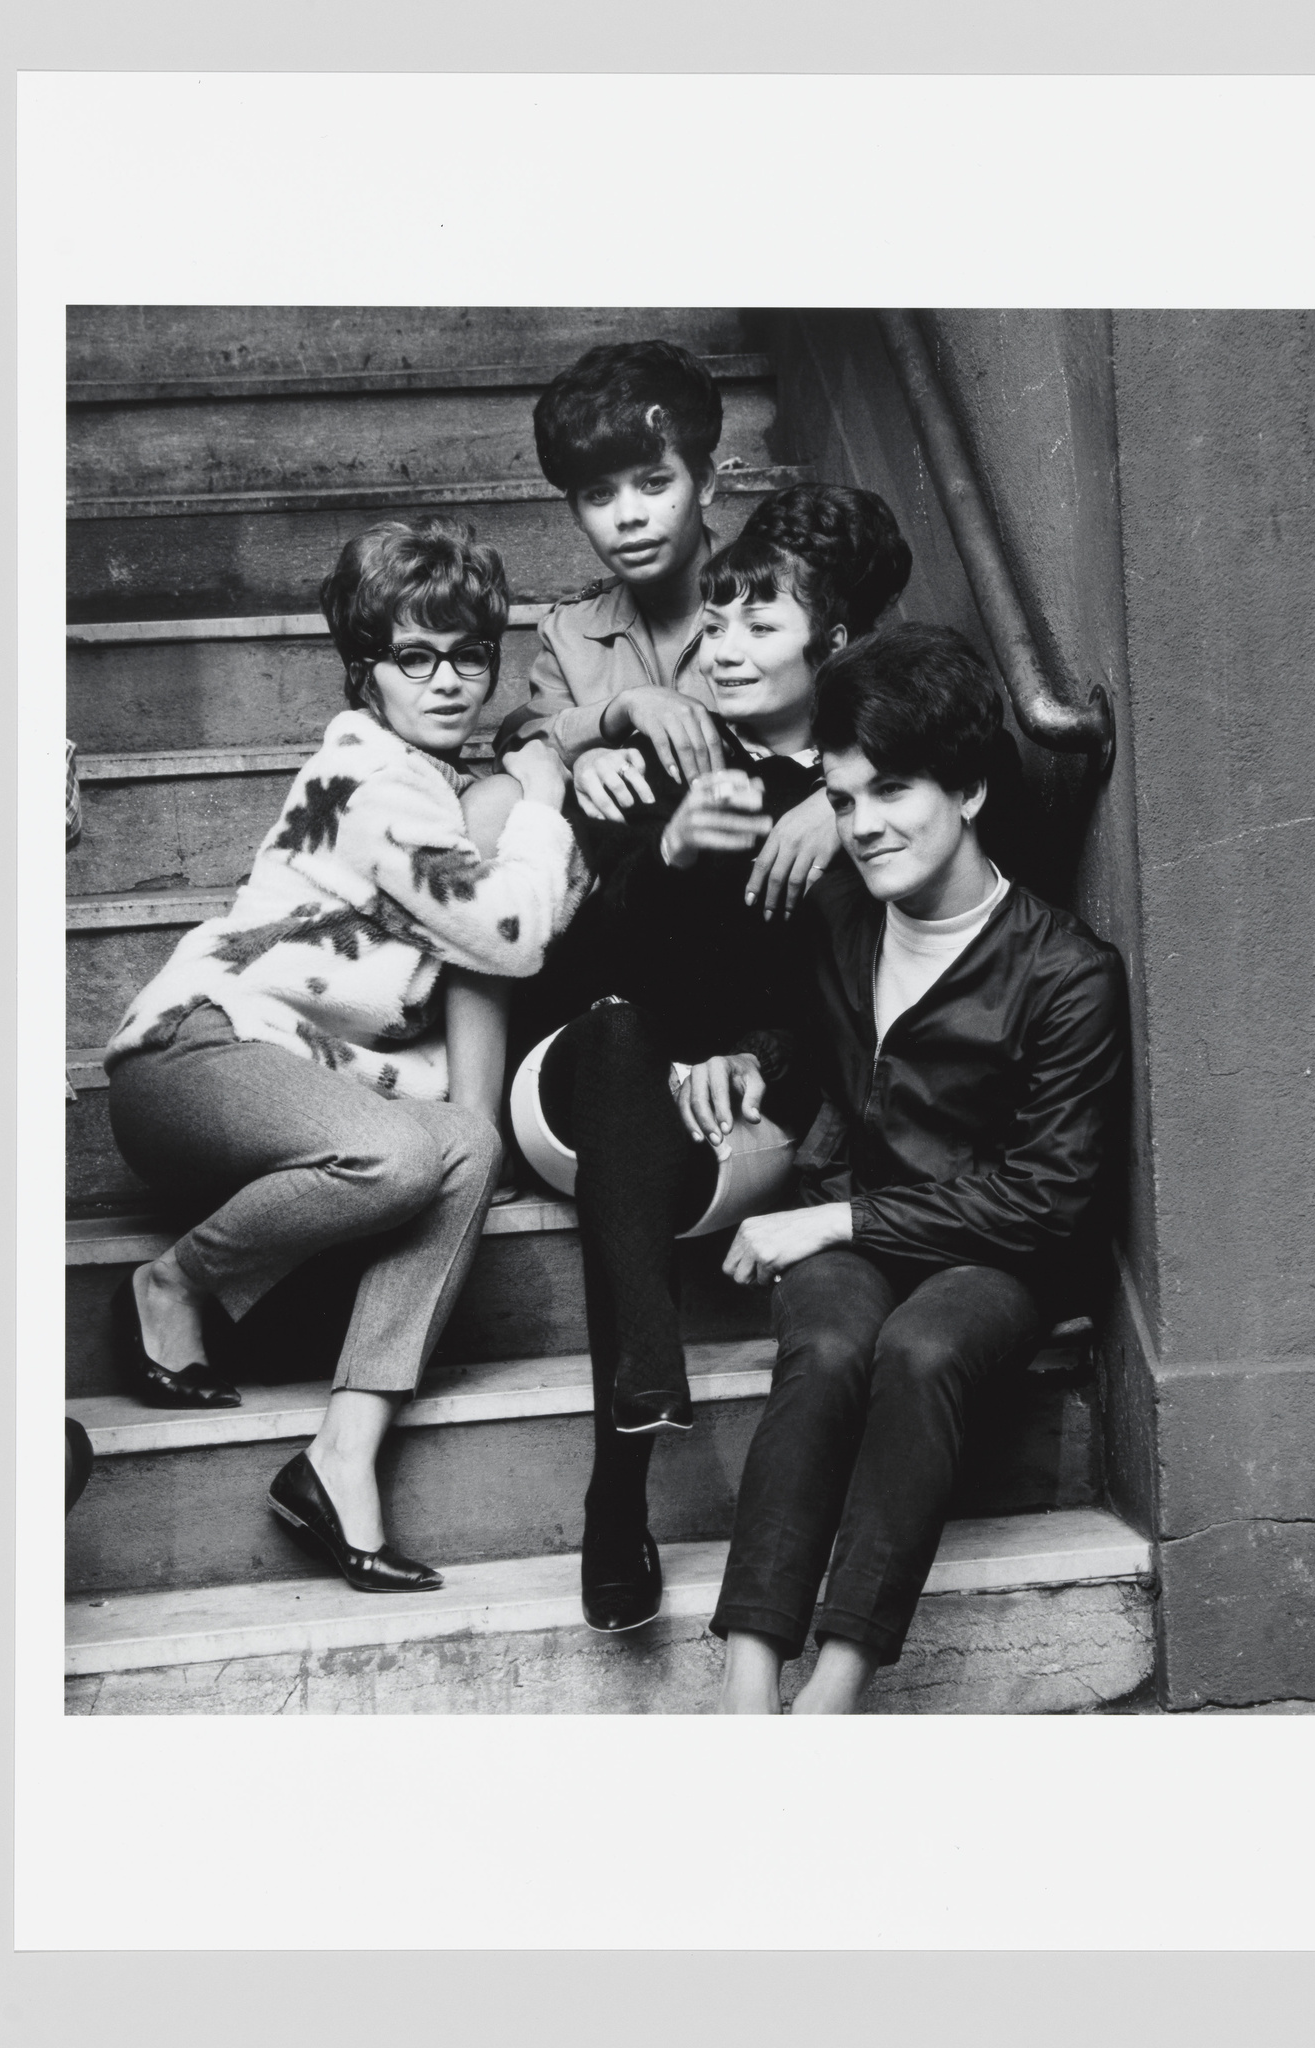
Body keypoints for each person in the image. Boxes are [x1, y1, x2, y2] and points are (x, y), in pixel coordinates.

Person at [103, 517, 586, 1593]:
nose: (450, 681)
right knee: (398, 1156)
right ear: (366, 671)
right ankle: (175, 1281)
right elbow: (511, 933)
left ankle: (343, 1451)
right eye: (416, 656)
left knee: (464, 1140)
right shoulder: (376, 779)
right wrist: (544, 801)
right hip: (194, 1053)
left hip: (294, 1077)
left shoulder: (425, 777)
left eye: (471, 653)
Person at [496, 483, 912, 1633]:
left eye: (752, 626)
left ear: (832, 643)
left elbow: (832, 1008)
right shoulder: (667, 753)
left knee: (662, 1077)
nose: (718, 650)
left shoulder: (872, 793)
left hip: (725, 1134)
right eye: (712, 623)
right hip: (578, 1088)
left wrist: (836, 806)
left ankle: (632, 1414)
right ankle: (621, 1465)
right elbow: (577, 971)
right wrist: (668, 851)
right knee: (625, 1024)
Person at [710, 623, 1128, 1711]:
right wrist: (747, 1063)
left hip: (993, 1249)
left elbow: (1047, 1197)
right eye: (843, 798)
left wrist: (833, 1222)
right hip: (857, 1224)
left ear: (970, 789)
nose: (861, 825)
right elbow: (807, 1042)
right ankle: (746, 1690)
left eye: (890, 791)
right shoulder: (841, 917)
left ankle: (833, 1689)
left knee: (922, 1344)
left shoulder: (1064, 972)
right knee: (831, 1335)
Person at [500, 338, 842, 921]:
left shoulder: (781, 598)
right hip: (637, 899)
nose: (629, 516)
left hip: (773, 896)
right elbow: (523, 735)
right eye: (599, 494)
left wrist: (837, 806)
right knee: (499, 800)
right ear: (575, 512)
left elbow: (904, 709)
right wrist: (602, 733)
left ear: (704, 482)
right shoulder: (572, 630)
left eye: (654, 483)